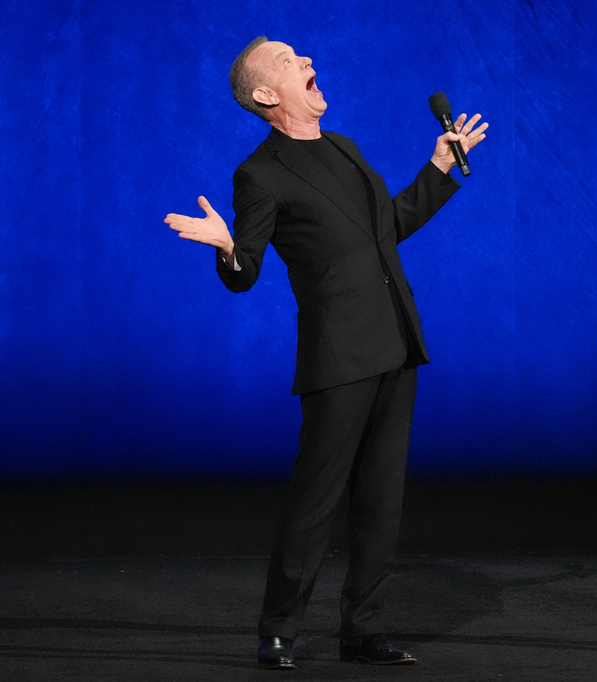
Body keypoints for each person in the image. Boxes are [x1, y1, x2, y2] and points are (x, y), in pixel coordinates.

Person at [165, 36, 487, 670]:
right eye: (290, 62)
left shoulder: (345, 148)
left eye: (302, 57)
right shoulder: (260, 173)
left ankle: (362, 630)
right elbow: (246, 270)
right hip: (339, 355)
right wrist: (225, 246)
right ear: (265, 95)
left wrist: (438, 169)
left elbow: (384, 230)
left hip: (396, 342)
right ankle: (279, 627)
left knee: (381, 499)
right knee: (317, 498)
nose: (307, 63)